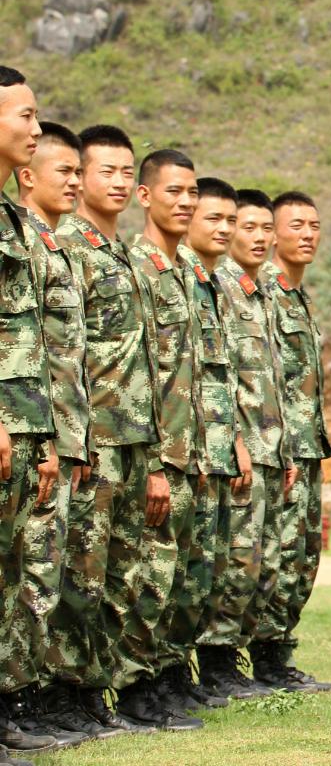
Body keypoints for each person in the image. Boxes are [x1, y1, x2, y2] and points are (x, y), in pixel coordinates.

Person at [55, 125, 165, 735]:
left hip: (131, 440)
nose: (119, 183)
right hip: (90, 438)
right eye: (107, 172)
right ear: (80, 176)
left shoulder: (119, 252)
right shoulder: (69, 247)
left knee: (118, 574)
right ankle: (66, 695)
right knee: (79, 571)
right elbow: (65, 350)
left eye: (128, 173)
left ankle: (100, 691)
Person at [12, 122, 103, 745]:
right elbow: (28, 351)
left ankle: (33, 701)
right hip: (32, 433)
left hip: (62, 436)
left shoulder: (60, 246)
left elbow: (76, 359)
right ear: (27, 176)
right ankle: (21, 704)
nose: (76, 182)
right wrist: (44, 438)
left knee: (48, 580)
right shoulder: (27, 244)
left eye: (79, 172)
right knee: (27, 577)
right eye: (64, 172)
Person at [118, 148, 206, 731]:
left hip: (185, 451)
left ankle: (159, 681)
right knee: (140, 577)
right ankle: (131, 690)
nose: (186, 202)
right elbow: (135, 372)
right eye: (174, 191)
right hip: (153, 452)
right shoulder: (137, 268)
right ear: (145, 196)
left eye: (191, 193)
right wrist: (151, 459)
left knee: (172, 579)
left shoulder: (182, 272)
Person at [196, 188, 283, 700]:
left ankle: (235, 662)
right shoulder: (220, 287)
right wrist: (232, 439)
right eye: (243, 225)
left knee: (259, 561)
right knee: (230, 559)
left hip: (267, 448)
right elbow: (220, 376)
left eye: (260, 227)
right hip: (234, 448)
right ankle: (213, 664)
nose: (253, 236)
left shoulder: (260, 291)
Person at [0, 67, 59, 766]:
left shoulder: (12, 221)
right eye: (25, 116)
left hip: (23, 426)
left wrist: (38, 433)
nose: (36, 130)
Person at [255, 191, 331, 693]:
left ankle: (278, 657)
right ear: (273, 234)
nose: (307, 234)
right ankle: (258, 661)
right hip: (275, 449)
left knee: (301, 557)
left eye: (314, 225)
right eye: (295, 225)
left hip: (306, 447)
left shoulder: (298, 296)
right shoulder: (262, 293)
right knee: (271, 555)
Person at [176, 178, 241, 708]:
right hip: (174, 447)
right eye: (212, 218)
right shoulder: (170, 276)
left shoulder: (212, 286)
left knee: (204, 570)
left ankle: (182, 676)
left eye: (229, 220)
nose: (224, 229)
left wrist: (233, 438)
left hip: (214, 448)